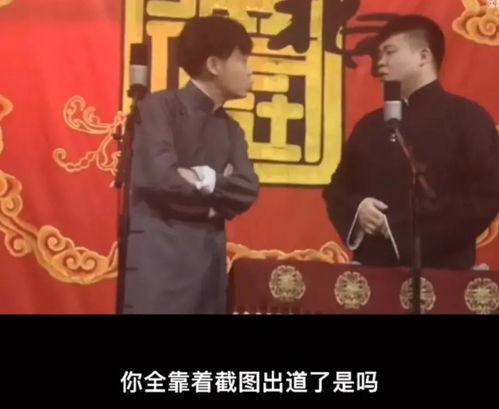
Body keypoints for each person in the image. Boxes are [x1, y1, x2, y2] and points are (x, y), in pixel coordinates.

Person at [323, 15, 499, 269]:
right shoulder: (370, 125)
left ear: (423, 56)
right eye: (379, 54)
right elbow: (338, 190)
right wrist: (359, 209)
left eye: (389, 52)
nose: (380, 61)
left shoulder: (468, 117)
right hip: (374, 270)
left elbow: (487, 193)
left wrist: (400, 228)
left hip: (446, 270)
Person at [120, 16, 259, 313]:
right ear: (214, 65)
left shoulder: (232, 129)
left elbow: (248, 189)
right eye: (242, 59)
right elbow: (161, 179)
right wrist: (216, 200)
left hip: (209, 276)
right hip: (162, 272)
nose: (250, 71)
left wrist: (203, 178)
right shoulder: (158, 108)